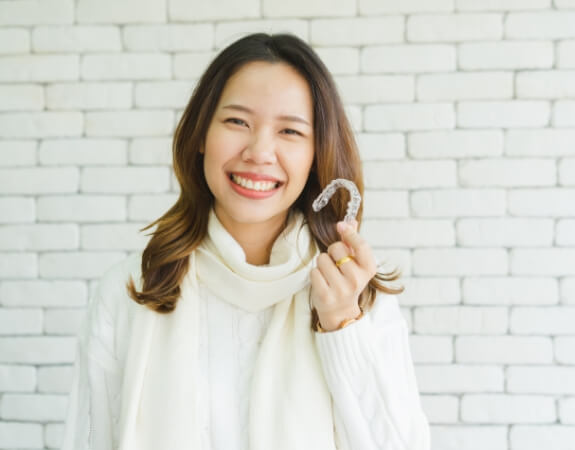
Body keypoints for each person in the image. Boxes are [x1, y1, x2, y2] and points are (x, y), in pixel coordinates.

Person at [60, 32, 430, 450]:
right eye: (237, 122)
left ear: (315, 155)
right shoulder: (130, 291)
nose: (259, 151)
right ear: (201, 134)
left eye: (290, 131)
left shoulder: (357, 295)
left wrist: (341, 325)